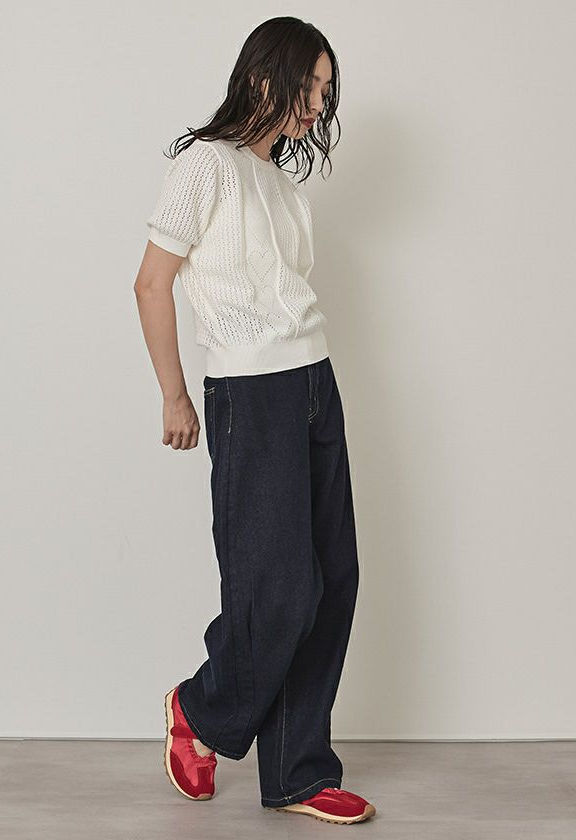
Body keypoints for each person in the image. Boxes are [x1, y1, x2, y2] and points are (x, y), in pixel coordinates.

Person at [133, 16, 375, 826]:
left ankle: (298, 772)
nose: (319, 102)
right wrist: (175, 394)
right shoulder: (205, 165)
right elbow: (151, 283)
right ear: (266, 77)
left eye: (327, 90)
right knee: (280, 590)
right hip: (251, 394)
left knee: (333, 581)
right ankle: (200, 709)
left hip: (314, 381)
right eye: (311, 84)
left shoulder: (279, 182)